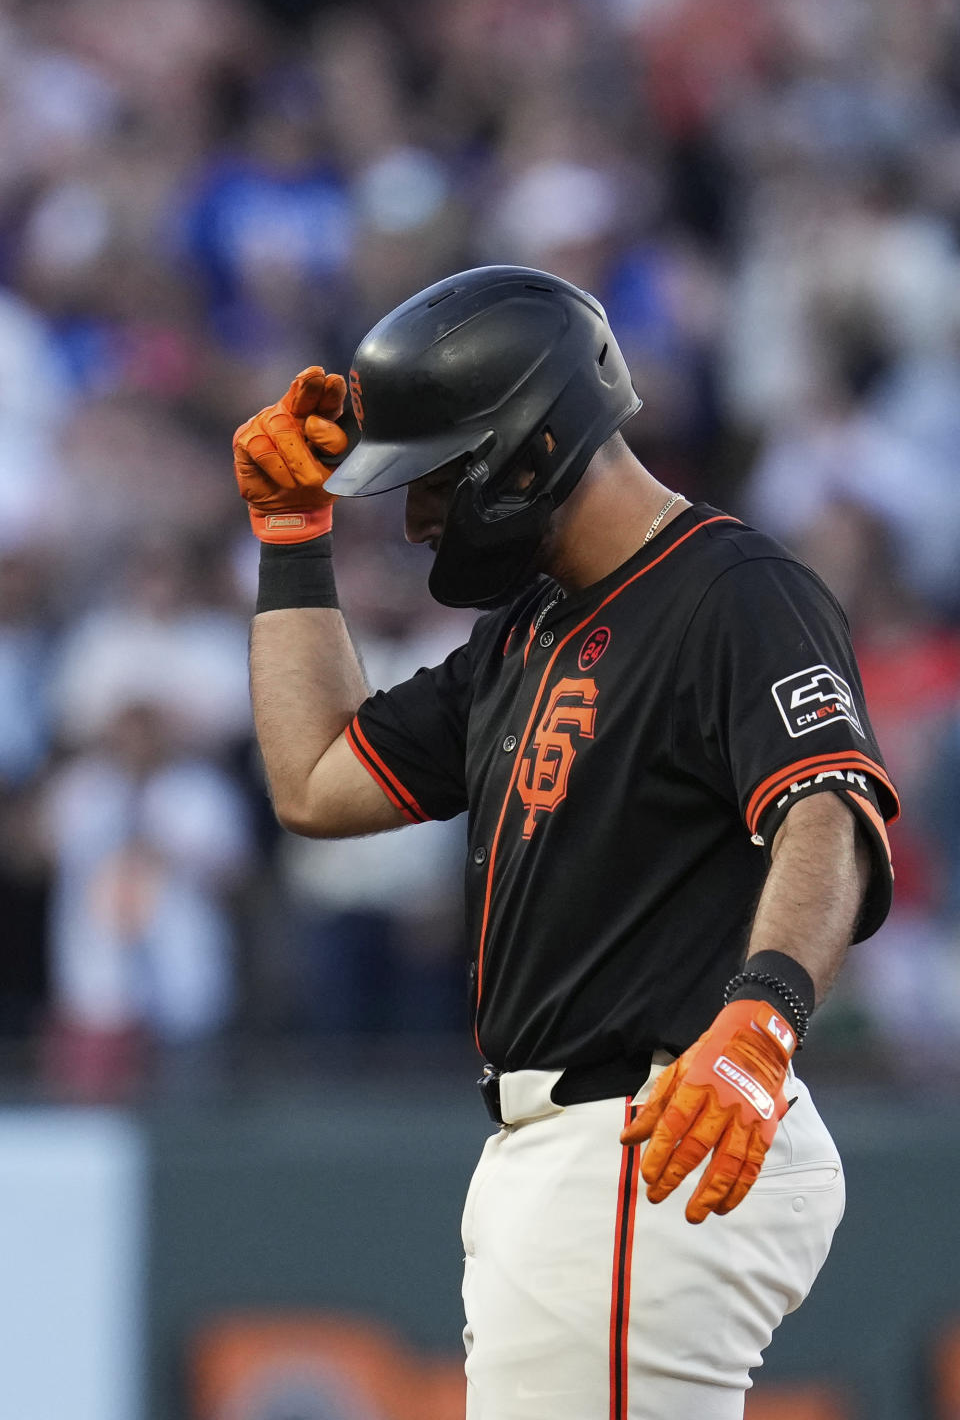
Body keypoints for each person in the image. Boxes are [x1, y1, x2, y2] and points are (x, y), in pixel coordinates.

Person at [233, 266, 899, 1420]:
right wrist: (294, 539)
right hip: (572, 1152)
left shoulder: (731, 587)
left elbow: (830, 812)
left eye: (434, 477)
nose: (419, 516)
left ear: (531, 451)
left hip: (649, 1129)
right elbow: (316, 779)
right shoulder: (526, 630)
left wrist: (766, 1017)